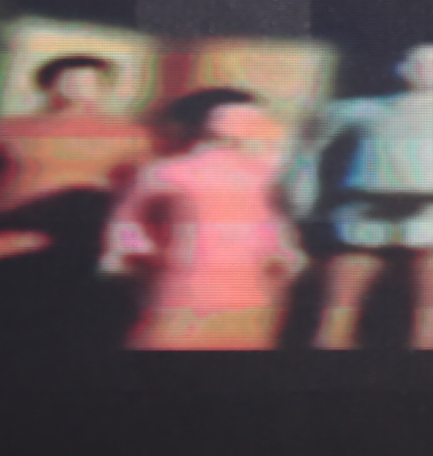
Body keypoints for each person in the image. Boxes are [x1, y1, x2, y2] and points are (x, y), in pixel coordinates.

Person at [0, 51, 155, 350]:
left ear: (104, 88)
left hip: (85, 235)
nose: (80, 88)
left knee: (75, 320)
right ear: (49, 86)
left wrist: (133, 246)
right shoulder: (10, 129)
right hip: (14, 226)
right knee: (4, 316)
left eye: (90, 81)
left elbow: (140, 194)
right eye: (69, 80)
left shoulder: (129, 134)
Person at [296, 44, 433, 351]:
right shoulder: (358, 110)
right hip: (364, 209)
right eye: (418, 63)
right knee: (343, 295)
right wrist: (302, 199)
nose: (427, 70)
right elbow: (309, 151)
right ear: (401, 69)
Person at [101, 87, 306, 350]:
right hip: (186, 285)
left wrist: (283, 254)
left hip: (246, 287)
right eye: (244, 119)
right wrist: (137, 256)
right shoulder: (168, 171)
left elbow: (272, 223)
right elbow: (126, 220)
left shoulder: (260, 174)